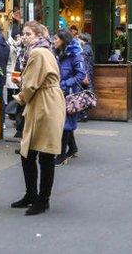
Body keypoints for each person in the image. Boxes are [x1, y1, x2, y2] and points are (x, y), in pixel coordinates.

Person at [11, 21, 65, 216]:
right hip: (45, 102)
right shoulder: (44, 50)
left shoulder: (37, 53)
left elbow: (31, 84)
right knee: (32, 153)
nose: (24, 37)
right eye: (23, 34)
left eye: (28, 34)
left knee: (42, 154)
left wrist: (19, 99)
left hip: (44, 104)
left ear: (38, 35)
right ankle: (34, 196)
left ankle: (41, 200)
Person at [53, 29, 87, 165]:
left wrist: (65, 84)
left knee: (65, 124)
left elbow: (81, 74)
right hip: (59, 91)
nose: (54, 41)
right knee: (65, 121)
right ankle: (72, 148)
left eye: (56, 39)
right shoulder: (56, 53)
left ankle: (61, 155)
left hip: (70, 93)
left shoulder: (75, 54)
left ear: (63, 40)